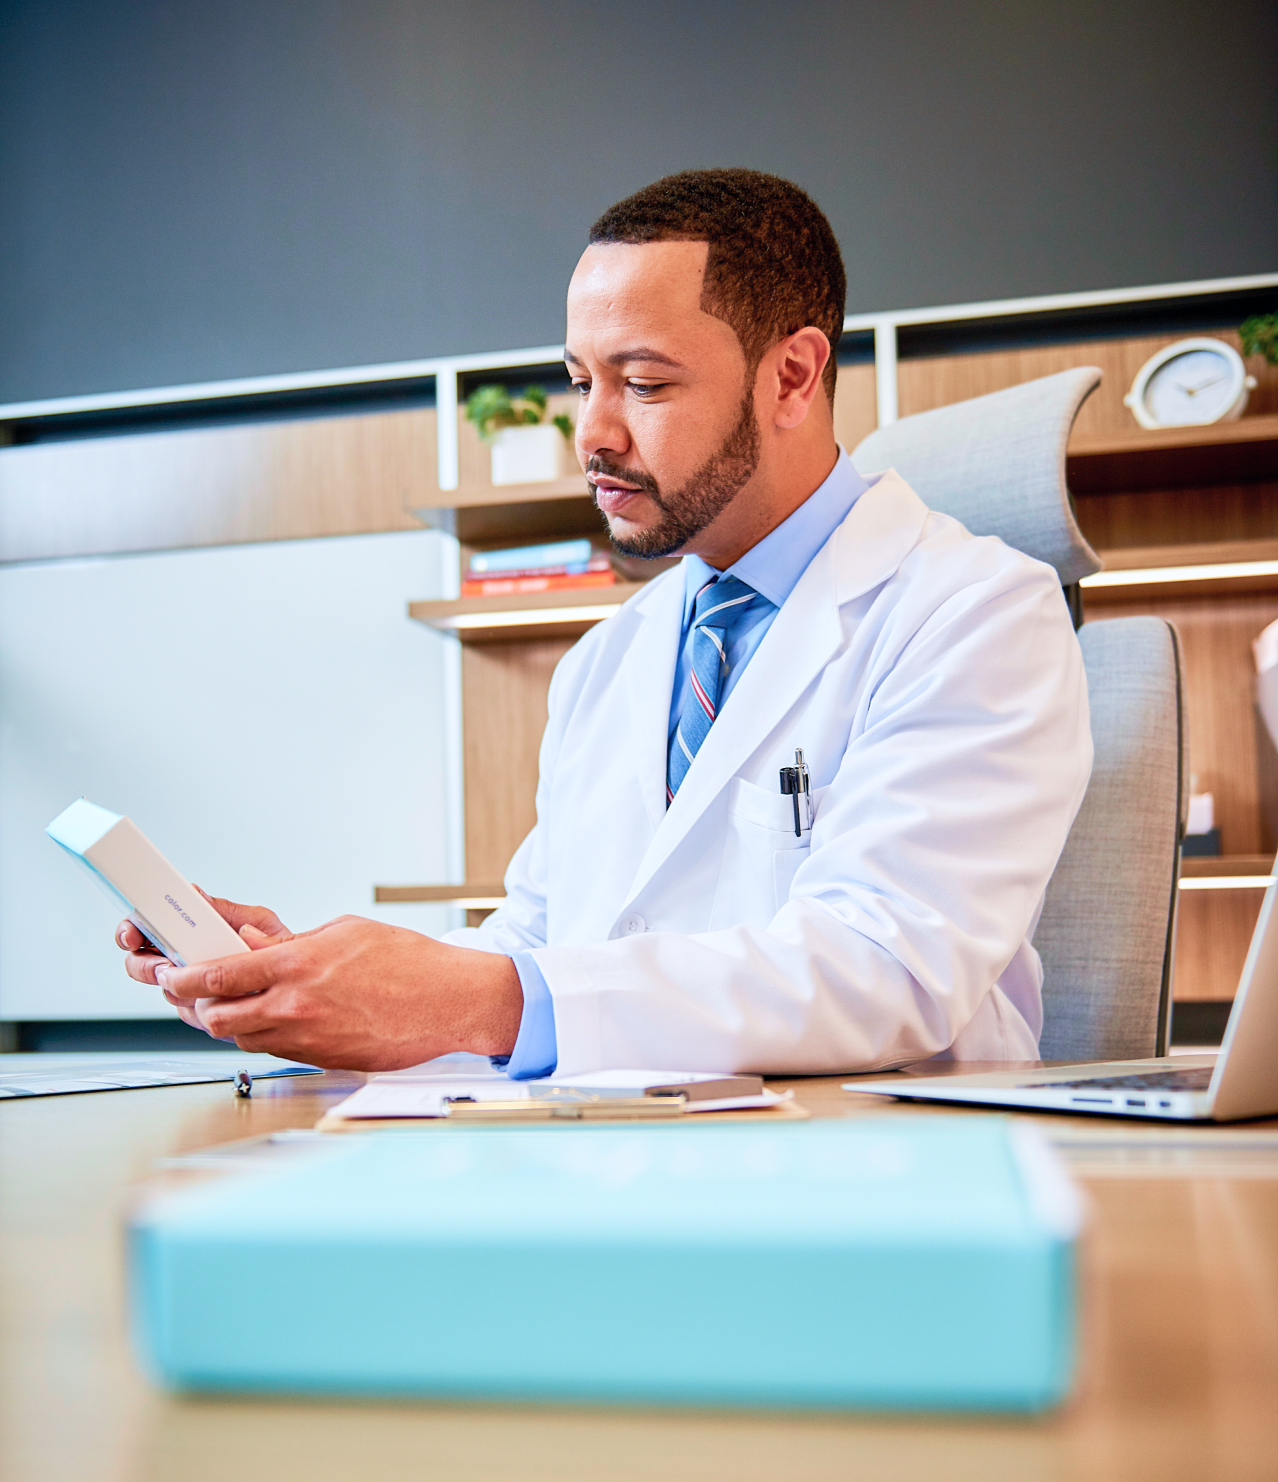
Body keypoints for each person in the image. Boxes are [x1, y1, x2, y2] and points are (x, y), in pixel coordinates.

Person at [117, 169, 1092, 1076]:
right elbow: (545, 945)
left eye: (647, 383)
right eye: (583, 380)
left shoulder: (973, 614)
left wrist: (478, 998)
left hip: (881, 1180)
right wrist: (316, 976)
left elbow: (888, 968)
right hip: (629, 1159)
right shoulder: (608, 658)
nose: (591, 433)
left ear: (793, 377)